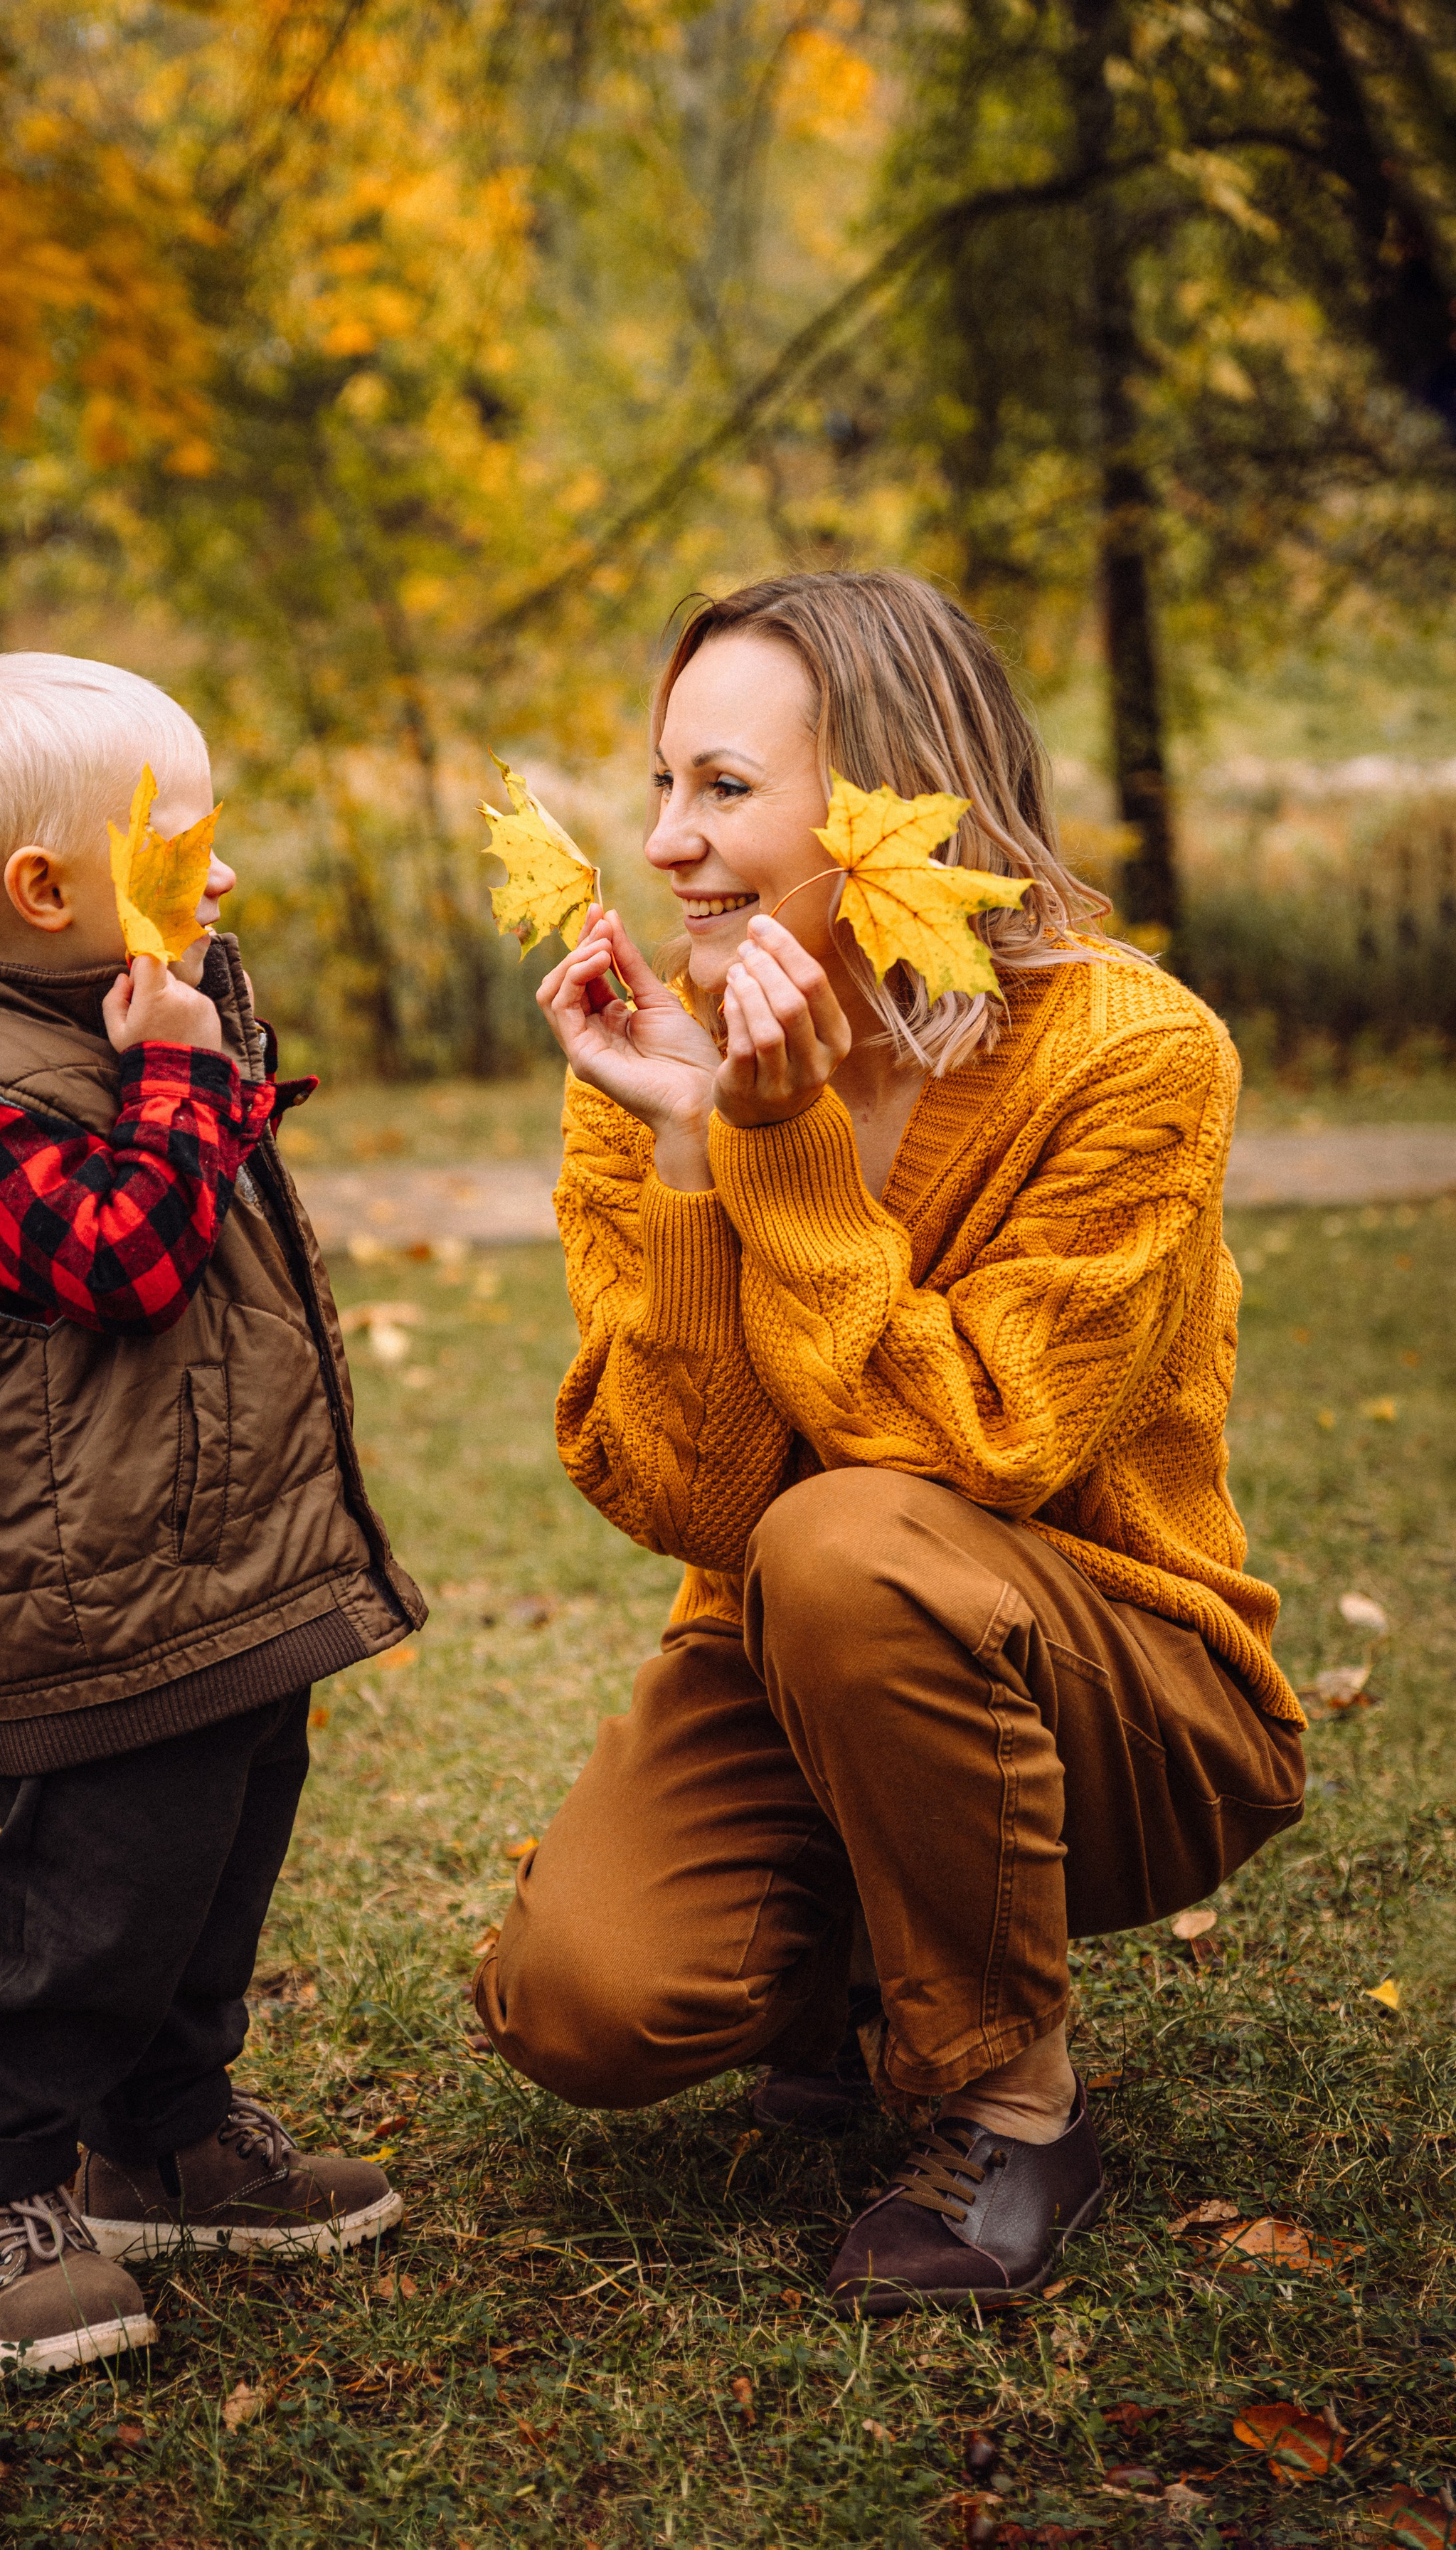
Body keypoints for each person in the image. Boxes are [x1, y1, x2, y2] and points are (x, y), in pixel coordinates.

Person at [473, 571, 1305, 2314]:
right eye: (656, 787)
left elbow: (978, 1446)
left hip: (1119, 1680)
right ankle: (858, 1955)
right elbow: (685, 1497)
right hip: (791, 1646)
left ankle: (1011, 2101)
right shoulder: (655, 1047)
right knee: (583, 2001)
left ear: (882, 807)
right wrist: (698, 1151)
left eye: (719, 788)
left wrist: (783, 1158)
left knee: (845, 1536)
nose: (666, 844)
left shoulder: (1131, 1054)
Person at [0, 652, 425, 2372]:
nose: (227, 875)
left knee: (209, 1863)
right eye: (187, 847)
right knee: (89, 1904)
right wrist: (182, 1079)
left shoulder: (96, 1024)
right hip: (80, 1596)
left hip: (202, 1575)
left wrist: (196, 1044)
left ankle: (163, 2138)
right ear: (48, 889)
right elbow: (123, 1258)